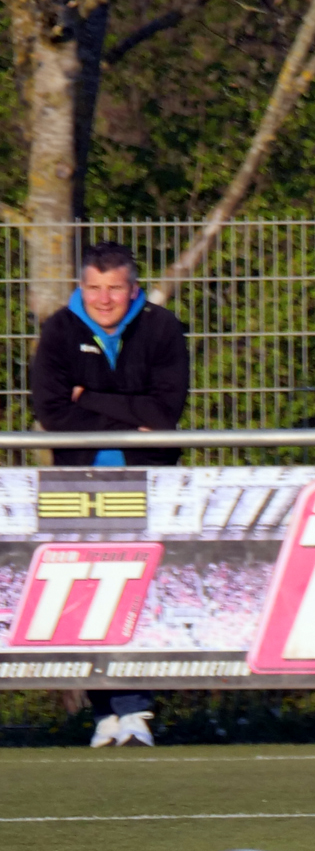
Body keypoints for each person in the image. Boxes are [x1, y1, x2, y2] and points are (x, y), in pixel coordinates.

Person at [30, 241, 190, 748]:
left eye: (115, 288)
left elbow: (164, 414)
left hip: (149, 481)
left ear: (133, 288)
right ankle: (107, 712)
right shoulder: (59, 331)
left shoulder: (163, 329)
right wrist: (128, 416)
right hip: (78, 483)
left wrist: (91, 398)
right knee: (87, 595)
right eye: (94, 288)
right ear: (81, 287)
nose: (103, 299)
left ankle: (136, 710)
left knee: (141, 593)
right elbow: (53, 413)